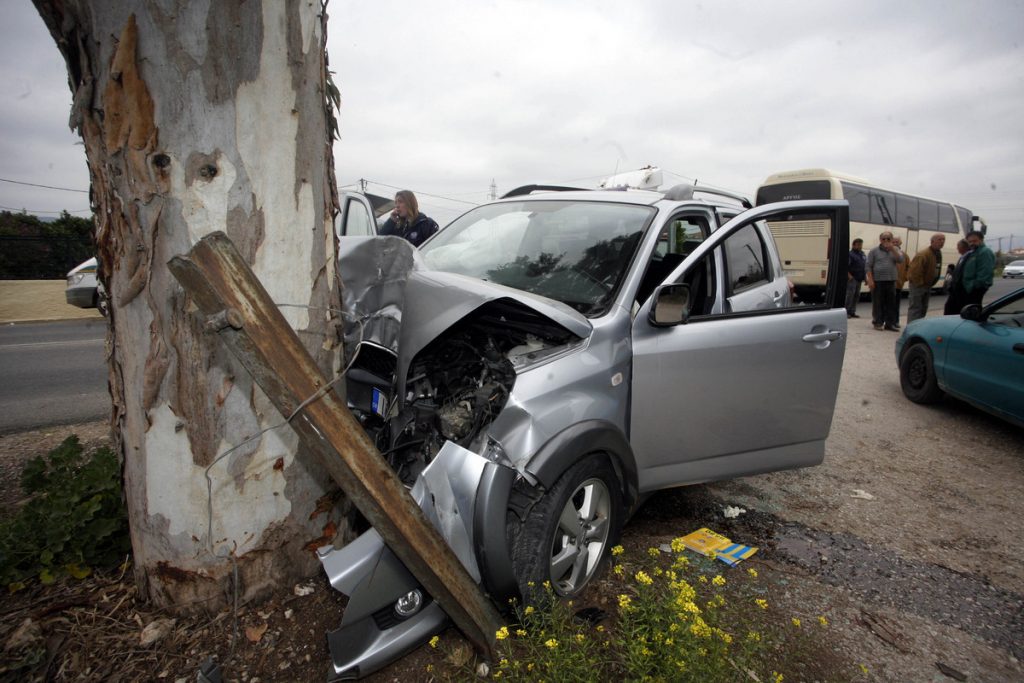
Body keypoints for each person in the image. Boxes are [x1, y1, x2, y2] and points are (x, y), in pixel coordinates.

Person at [865, 231, 903, 331]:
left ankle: (890, 324)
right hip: (878, 280)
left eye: (888, 239)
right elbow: (868, 266)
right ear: (880, 240)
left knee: (891, 303)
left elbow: (900, 260)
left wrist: (892, 250)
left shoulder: (895, 250)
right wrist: (870, 280)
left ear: (891, 239)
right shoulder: (874, 251)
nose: (886, 241)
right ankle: (878, 322)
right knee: (878, 302)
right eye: (884, 239)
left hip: (891, 280)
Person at [906, 233, 945, 324]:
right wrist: (920, 284)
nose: (942, 242)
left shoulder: (937, 253)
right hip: (918, 286)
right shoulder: (923, 254)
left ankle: (918, 326)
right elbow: (914, 272)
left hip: (927, 286)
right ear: (932, 241)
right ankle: (912, 327)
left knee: (923, 308)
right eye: (939, 239)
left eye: (943, 240)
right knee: (915, 308)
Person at [959, 230, 995, 307]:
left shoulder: (985, 252)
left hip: (976, 288)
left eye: (974, 241)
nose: (972, 243)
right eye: (969, 241)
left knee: (973, 310)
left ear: (981, 240)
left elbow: (985, 272)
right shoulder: (973, 252)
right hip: (970, 288)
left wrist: (973, 286)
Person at [943, 239, 972, 314]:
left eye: (958, 246)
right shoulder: (962, 257)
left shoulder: (969, 257)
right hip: (955, 291)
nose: (957, 248)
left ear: (963, 247)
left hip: (961, 291)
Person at [845, 238, 867, 318]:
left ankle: (852, 311)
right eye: (858, 245)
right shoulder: (850, 254)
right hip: (852, 278)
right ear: (853, 245)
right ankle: (846, 311)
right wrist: (849, 276)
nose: (860, 246)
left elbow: (864, 266)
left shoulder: (862, 254)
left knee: (856, 295)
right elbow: (845, 266)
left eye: (861, 245)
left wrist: (865, 278)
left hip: (859, 278)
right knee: (850, 295)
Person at [892, 236, 909, 320]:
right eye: (894, 242)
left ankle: (895, 321)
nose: (895, 243)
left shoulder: (904, 255)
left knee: (896, 304)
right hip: (888, 283)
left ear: (900, 243)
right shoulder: (887, 253)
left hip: (898, 283)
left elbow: (909, 267)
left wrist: (904, 278)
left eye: (897, 242)